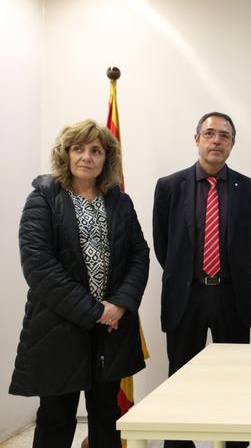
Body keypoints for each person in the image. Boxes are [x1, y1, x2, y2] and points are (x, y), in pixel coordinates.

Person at [9, 120, 149, 448]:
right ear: (66, 154)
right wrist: (95, 312)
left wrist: (120, 304)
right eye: (78, 148)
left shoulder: (120, 202)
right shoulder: (43, 199)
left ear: (106, 158)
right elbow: (39, 266)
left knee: (107, 415)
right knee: (56, 417)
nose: (87, 156)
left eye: (96, 150)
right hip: (58, 327)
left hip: (111, 330)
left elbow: (139, 255)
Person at [153, 111, 251, 448]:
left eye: (224, 136)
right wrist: (190, 275)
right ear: (197, 139)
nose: (217, 141)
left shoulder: (250, 188)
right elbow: (163, 246)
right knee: (180, 376)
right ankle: (178, 444)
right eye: (210, 133)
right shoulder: (169, 186)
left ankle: (233, 443)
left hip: (231, 295)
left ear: (232, 144)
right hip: (186, 295)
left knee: (235, 378)